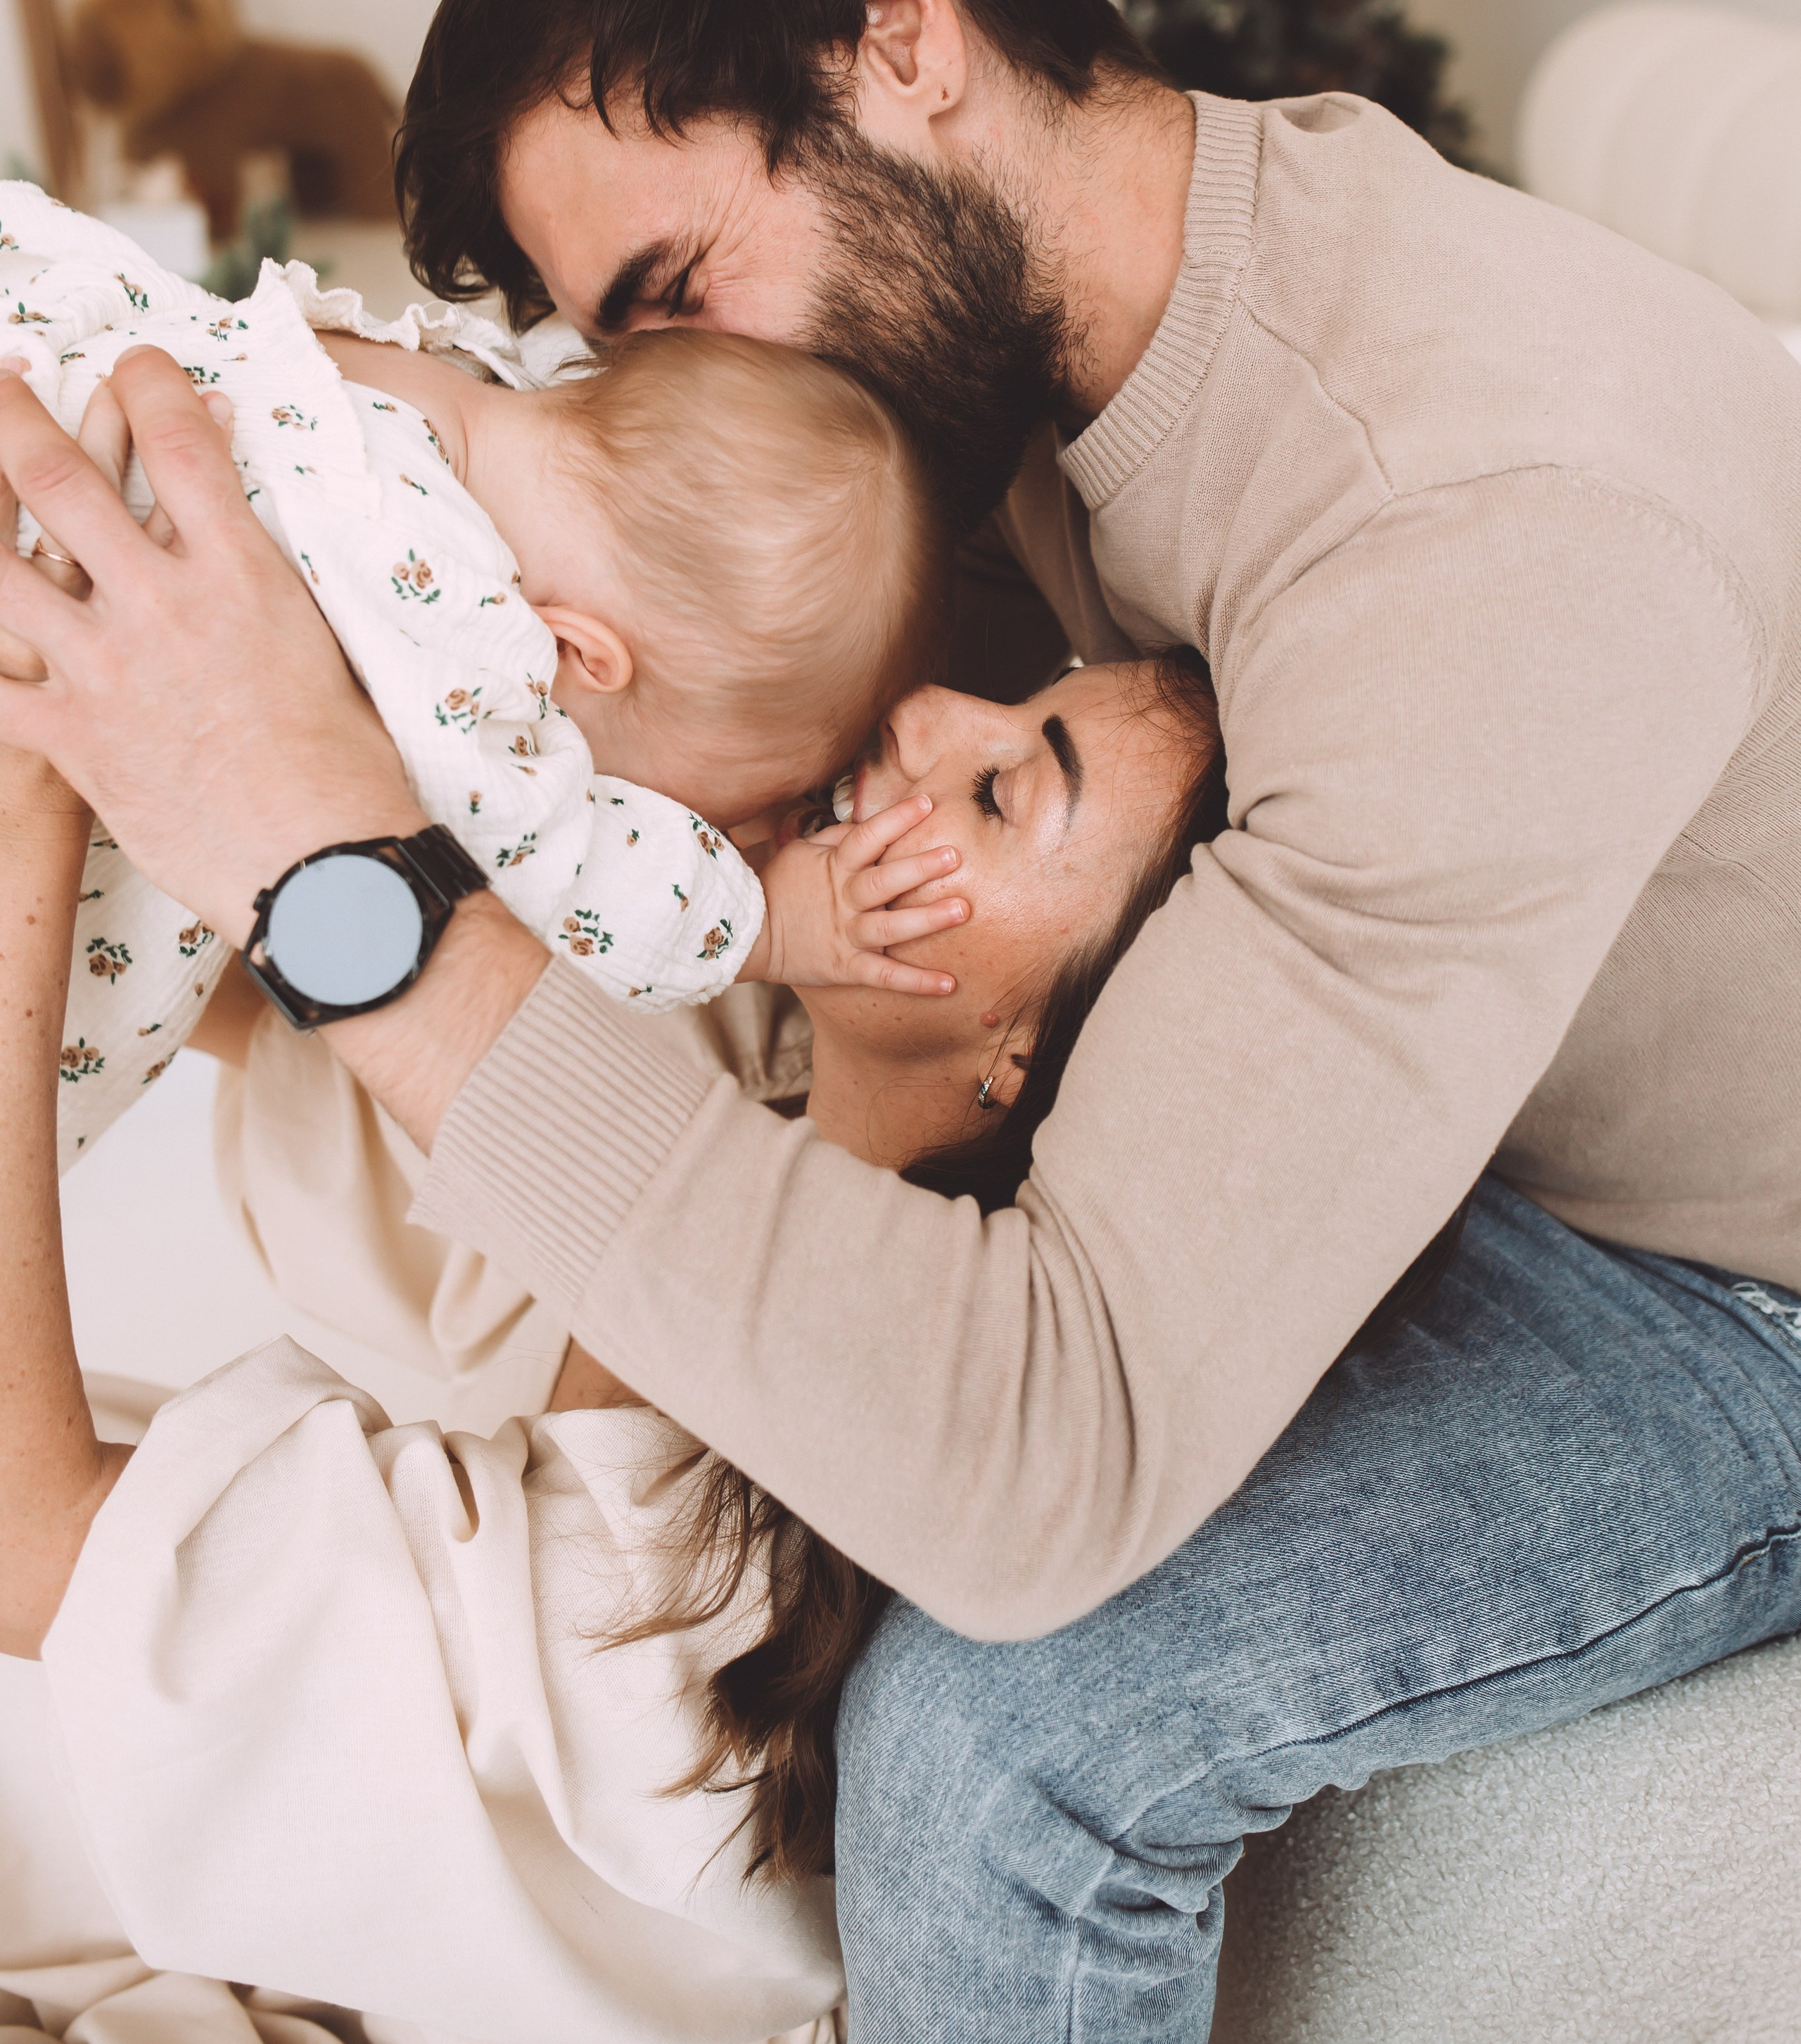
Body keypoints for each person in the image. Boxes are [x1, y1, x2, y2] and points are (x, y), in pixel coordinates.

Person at [4, 0, 1801, 2036]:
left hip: (1724, 1284)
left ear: (900, 34)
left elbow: (1040, 1480)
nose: (690, 409)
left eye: (673, 296)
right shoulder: (1008, 329)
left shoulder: (1489, 512)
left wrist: (319, 853)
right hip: (1446, 1053)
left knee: (998, 1737)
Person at [0, 644, 1224, 2044]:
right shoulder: (716, 1095)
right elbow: (222, 1001)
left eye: (1002, 794)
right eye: (1027, 683)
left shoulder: (711, 1614)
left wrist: (31, 782)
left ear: (1020, 1058)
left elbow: (32, 1541)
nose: (929, 709)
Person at [0, 179, 953, 1172]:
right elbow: (571, 877)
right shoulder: (462, 633)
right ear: (586, 655)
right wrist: (774, 926)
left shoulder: (450, 376)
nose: (738, 832)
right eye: (726, 804)